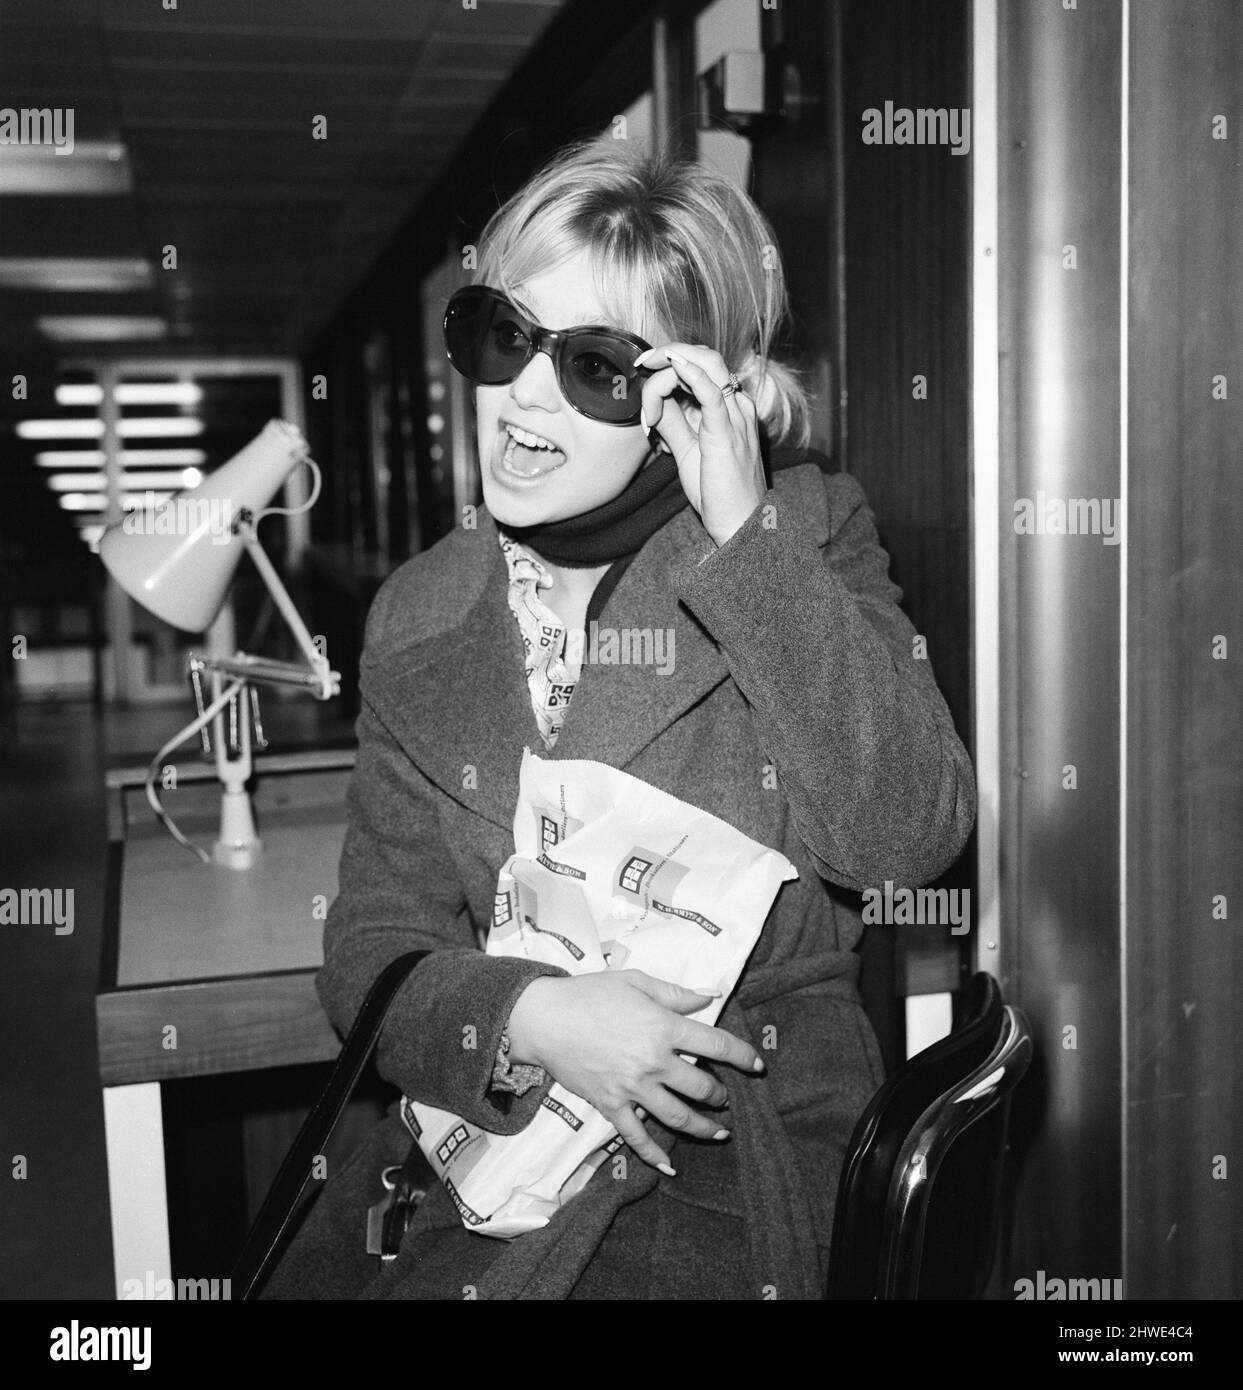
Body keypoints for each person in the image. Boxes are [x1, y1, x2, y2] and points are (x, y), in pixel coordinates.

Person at [264, 136, 975, 1301]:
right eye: (503, 335)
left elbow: (906, 838)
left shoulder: (800, 537)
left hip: (720, 1165)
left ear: (687, 395)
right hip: (475, 1150)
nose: (526, 393)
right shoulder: (423, 611)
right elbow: (370, 948)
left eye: (593, 362)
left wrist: (746, 539)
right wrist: (531, 1017)